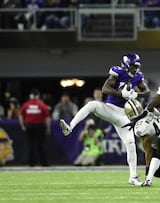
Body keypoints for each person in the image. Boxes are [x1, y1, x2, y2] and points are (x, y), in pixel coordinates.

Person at [59, 53, 150, 186]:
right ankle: (70, 127)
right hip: (109, 109)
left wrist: (137, 94)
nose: (135, 69)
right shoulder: (117, 72)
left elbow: (147, 92)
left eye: (136, 66)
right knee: (92, 104)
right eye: (132, 66)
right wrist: (121, 94)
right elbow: (105, 89)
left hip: (123, 115)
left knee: (130, 143)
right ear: (125, 65)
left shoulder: (138, 77)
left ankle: (133, 177)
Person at [18, 88, 51, 167]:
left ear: (31, 96)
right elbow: (47, 117)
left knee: (30, 145)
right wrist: (48, 128)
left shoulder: (26, 105)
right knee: (42, 145)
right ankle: (44, 163)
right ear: (38, 96)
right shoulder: (42, 105)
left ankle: (32, 163)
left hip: (29, 126)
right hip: (39, 126)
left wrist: (22, 125)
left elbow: (20, 115)